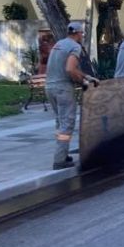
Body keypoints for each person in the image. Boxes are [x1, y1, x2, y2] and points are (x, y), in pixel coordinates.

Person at [45, 21, 97, 170]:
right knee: (67, 124)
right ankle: (59, 160)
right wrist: (83, 83)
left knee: (60, 122)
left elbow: (67, 67)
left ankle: (63, 152)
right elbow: (70, 69)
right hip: (62, 88)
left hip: (50, 87)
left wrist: (86, 76)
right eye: (82, 33)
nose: (82, 36)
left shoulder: (59, 44)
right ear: (78, 33)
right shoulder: (75, 47)